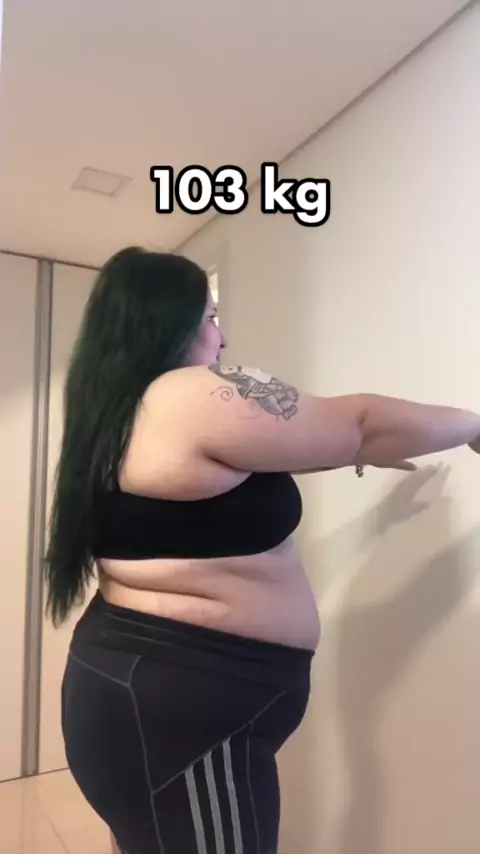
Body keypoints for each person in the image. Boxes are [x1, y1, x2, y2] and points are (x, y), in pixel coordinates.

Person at [44, 246, 480, 854]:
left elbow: (263, 455)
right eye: (210, 316)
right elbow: (359, 424)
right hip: (179, 718)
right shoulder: (187, 395)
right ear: (166, 321)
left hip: (146, 697)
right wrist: (473, 425)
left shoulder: (116, 413)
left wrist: (349, 455)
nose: (221, 336)